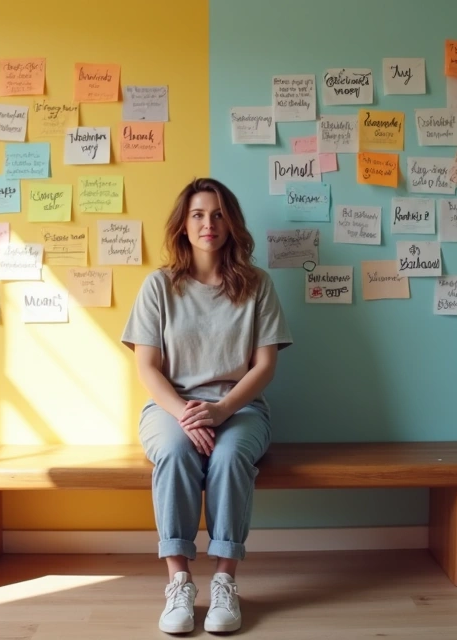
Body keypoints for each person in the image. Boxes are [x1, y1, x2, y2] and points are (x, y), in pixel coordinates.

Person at [121, 177, 293, 634]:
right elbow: (148, 368)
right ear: (183, 224)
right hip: (170, 409)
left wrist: (219, 412)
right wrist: (184, 413)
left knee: (230, 455)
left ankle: (223, 583)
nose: (208, 224)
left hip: (241, 408)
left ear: (231, 223)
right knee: (176, 453)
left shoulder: (258, 285)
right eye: (198, 214)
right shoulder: (159, 286)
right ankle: (178, 582)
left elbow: (264, 367)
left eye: (217, 214)